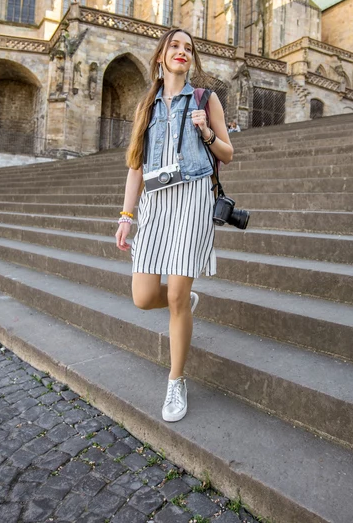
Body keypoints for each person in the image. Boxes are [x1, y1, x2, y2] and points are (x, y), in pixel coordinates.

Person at [115, 28, 233, 422]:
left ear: (191, 59)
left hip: (194, 199)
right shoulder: (146, 106)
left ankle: (176, 381)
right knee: (144, 296)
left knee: (178, 298)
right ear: (161, 56)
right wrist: (126, 216)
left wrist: (207, 131)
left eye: (188, 48)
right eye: (175, 46)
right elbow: (135, 165)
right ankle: (181, 301)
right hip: (154, 202)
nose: (182, 51)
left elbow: (228, 154)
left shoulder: (205, 98)